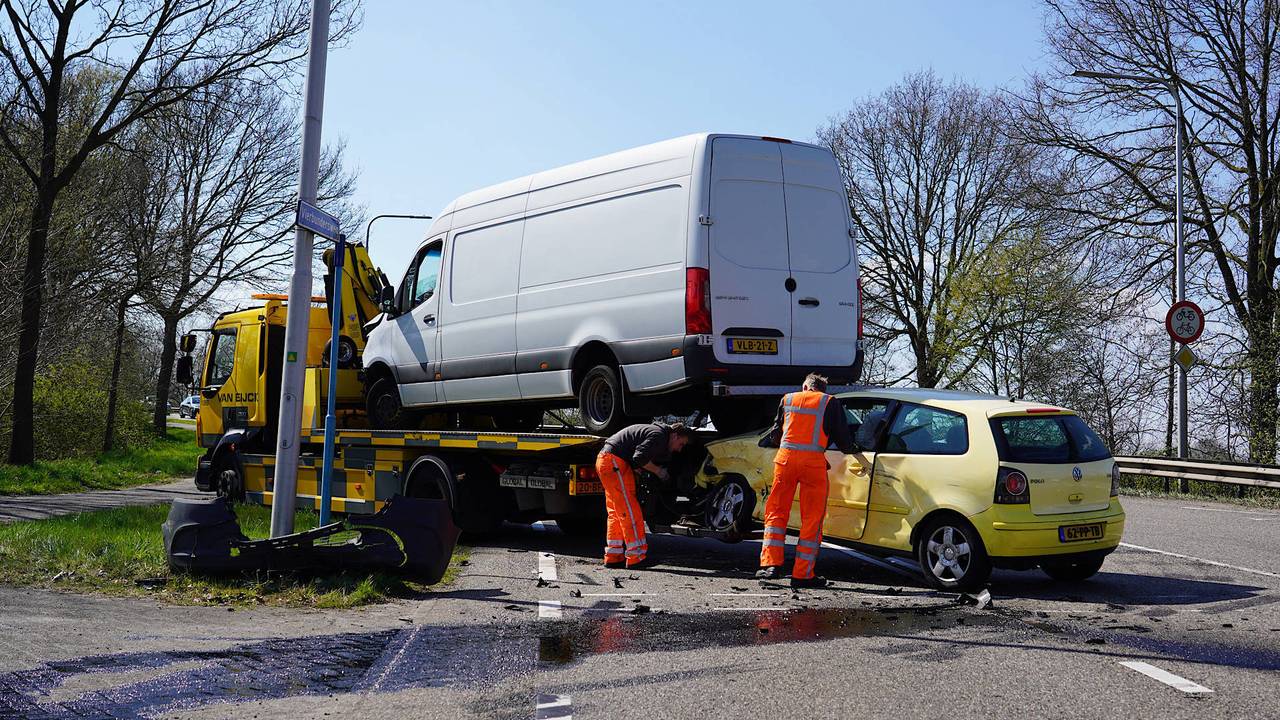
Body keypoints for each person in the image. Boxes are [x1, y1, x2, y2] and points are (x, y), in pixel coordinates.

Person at [756, 373, 856, 588]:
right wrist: (854, 449)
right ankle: (802, 574)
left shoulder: (788, 399)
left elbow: (776, 432)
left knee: (776, 511)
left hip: (785, 461)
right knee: (812, 518)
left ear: (805, 386)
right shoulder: (829, 402)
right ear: (822, 389)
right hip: (813, 465)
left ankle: (770, 566)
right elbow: (844, 440)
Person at [595, 422, 693, 569]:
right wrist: (659, 471)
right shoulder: (659, 436)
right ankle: (637, 557)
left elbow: (636, 456)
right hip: (614, 463)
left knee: (616, 512)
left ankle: (614, 556)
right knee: (630, 511)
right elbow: (639, 457)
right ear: (675, 435)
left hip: (607, 461)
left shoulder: (656, 433)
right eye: (681, 444)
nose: (679, 449)